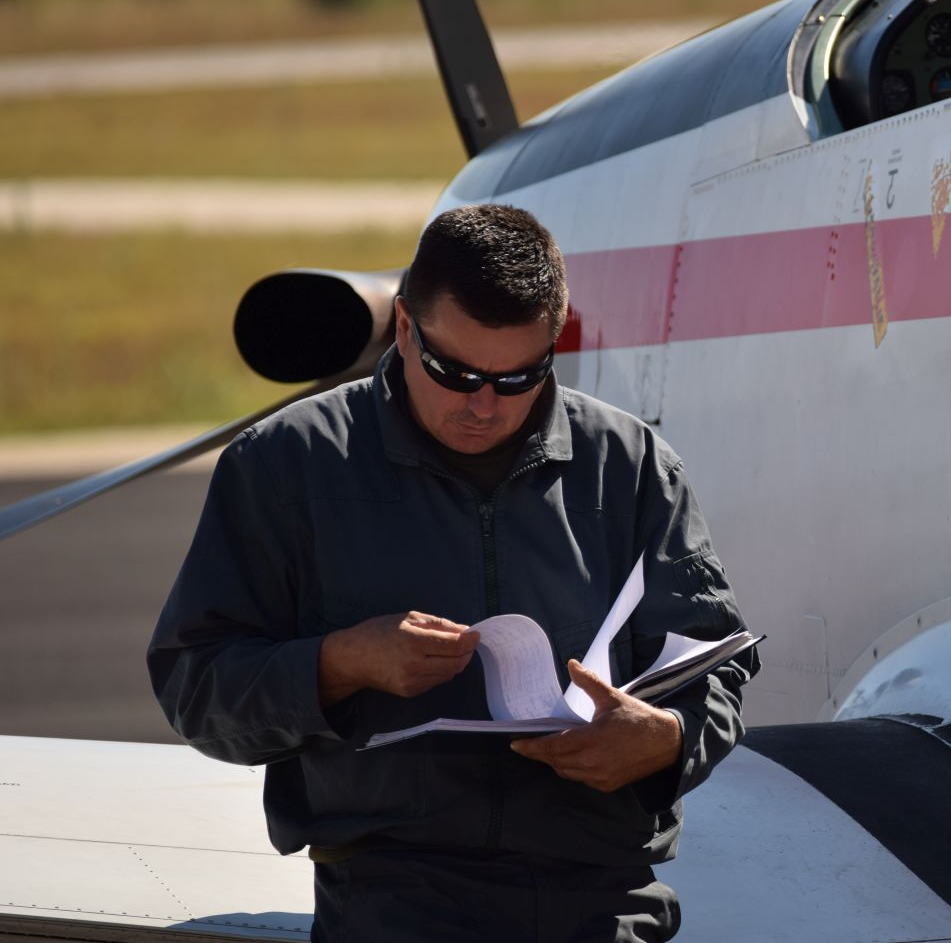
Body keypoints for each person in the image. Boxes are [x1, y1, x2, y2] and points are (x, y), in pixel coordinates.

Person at [148, 203, 757, 942]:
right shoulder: (286, 466)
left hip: (606, 906)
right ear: (404, 327)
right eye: (455, 371)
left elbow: (716, 663)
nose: (482, 406)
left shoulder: (632, 468)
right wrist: (337, 664)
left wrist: (666, 737)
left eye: (518, 378)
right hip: (391, 903)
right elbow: (195, 682)